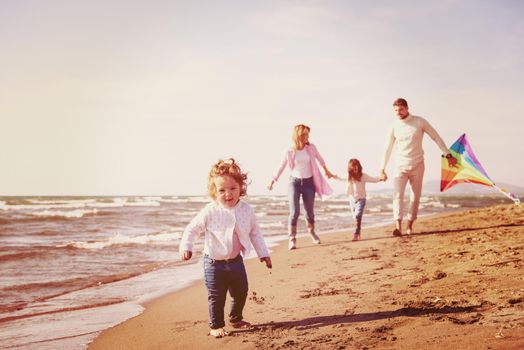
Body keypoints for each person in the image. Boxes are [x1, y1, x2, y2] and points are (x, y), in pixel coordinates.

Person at [179, 158, 272, 338]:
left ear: (241, 189)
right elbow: (192, 229)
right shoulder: (210, 211)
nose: (228, 194)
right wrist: (186, 246)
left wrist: (263, 254)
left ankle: (236, 319)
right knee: (217, 296)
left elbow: (255, 233)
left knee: (241, 291)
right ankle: (216, 325)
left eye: (232, 189)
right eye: (222, 190)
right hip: (213, 263)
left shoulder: (247, 210)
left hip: (236, 260)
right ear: (214, 192)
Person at [380, 98, 456, 236]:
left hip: (417, 165)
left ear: (407, 108)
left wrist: (448, 155)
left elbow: (435, 137)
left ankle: (409, 225)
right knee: (397, 196)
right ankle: (398, 226)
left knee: (415, 197)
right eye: (396, 110)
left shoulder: (419, 122)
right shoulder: (393, 126)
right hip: (400, 166)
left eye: (401, 109)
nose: (398, 112)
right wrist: (382, 168)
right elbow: (387, 148)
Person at [268, 124, 334, 250]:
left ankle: (312, 232)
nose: (307, 137)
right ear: (298, 135)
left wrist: (327, 171)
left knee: (309, 213)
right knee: (294, 212)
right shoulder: (289, 151)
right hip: (294, 183)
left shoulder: (311, 148)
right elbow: (281, 165)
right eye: (305, 134)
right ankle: (292, 238)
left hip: (309, 183)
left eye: (308, 134)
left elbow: (320, 159)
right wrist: (273, 180)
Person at [335, 158, 385, 241]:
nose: (355, 168)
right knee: (356, 218)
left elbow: (373, 179)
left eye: (357, 166)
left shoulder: (363, 176)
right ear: (350, 168)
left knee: (357, 215)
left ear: (359, 167)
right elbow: (339, 177)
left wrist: (381, 178)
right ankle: (358, 232)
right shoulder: (349, 177)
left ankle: (355, 234)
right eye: (353, 167)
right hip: (352, 200)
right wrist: (330, 175)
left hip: (361, 199)